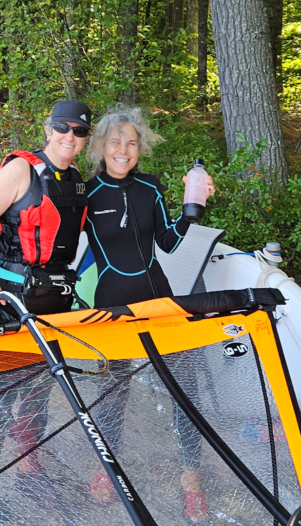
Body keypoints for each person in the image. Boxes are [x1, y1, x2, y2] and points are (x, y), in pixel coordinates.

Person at [83, 105, 215, 523]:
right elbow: (59, 242)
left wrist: (192, 211)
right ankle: (107, 470)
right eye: (115, 142)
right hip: (112, 306)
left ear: (141, 148)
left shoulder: (151, 187)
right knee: (112, 393)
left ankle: (191, 477)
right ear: (100, 146)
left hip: (159, 300)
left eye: (131, 142)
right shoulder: (85, 193)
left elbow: (168, 243)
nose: (123, 150)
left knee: (185, 388)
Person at [0, 99, 92, 520]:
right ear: (48, 129)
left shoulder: (76, 180)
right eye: (63, 127)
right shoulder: (22, 170)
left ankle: (28, 469)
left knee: (40, 390)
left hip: (53, 301)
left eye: (79, 131)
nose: (70, 137)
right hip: (9, 297)